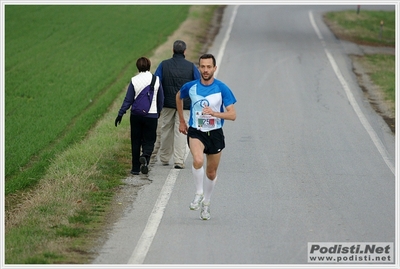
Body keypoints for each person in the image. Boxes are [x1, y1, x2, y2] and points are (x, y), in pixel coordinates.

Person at [176, 53, 237, 220]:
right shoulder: (191, 87)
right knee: (197, 160)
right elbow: (178, 96)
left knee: (211, 173)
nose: (205, 70)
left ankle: (207, 203)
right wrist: (182, 120)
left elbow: (232, 115)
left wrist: (214, 113)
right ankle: (198, 193)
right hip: (196, 131)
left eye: (209, 67)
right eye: (202, 66)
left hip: (215, 133)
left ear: (214, 68)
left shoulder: (222, 88)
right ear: (199, 68)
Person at [151, 40, 200, 169]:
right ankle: (179, 160)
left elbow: (157, 81)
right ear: (185, 51)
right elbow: (198, 84)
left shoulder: (164, 65)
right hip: (185, 104)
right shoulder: (191, 66)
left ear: (172, 50)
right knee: (181, 130)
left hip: (167, 102)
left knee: (166, 129)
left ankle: (165, 157)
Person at [115, 56, 164, 175]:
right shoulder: (156, 80)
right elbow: (161, 99)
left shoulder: (134, 80)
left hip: (136, 115)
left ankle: (135, 168)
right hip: (151, 115)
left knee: (135, 141)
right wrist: (157, 112)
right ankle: (145, 157)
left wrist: (120, 114)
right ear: (149, 65)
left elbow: (128, 100)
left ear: (137, 67)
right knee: (150, 139)